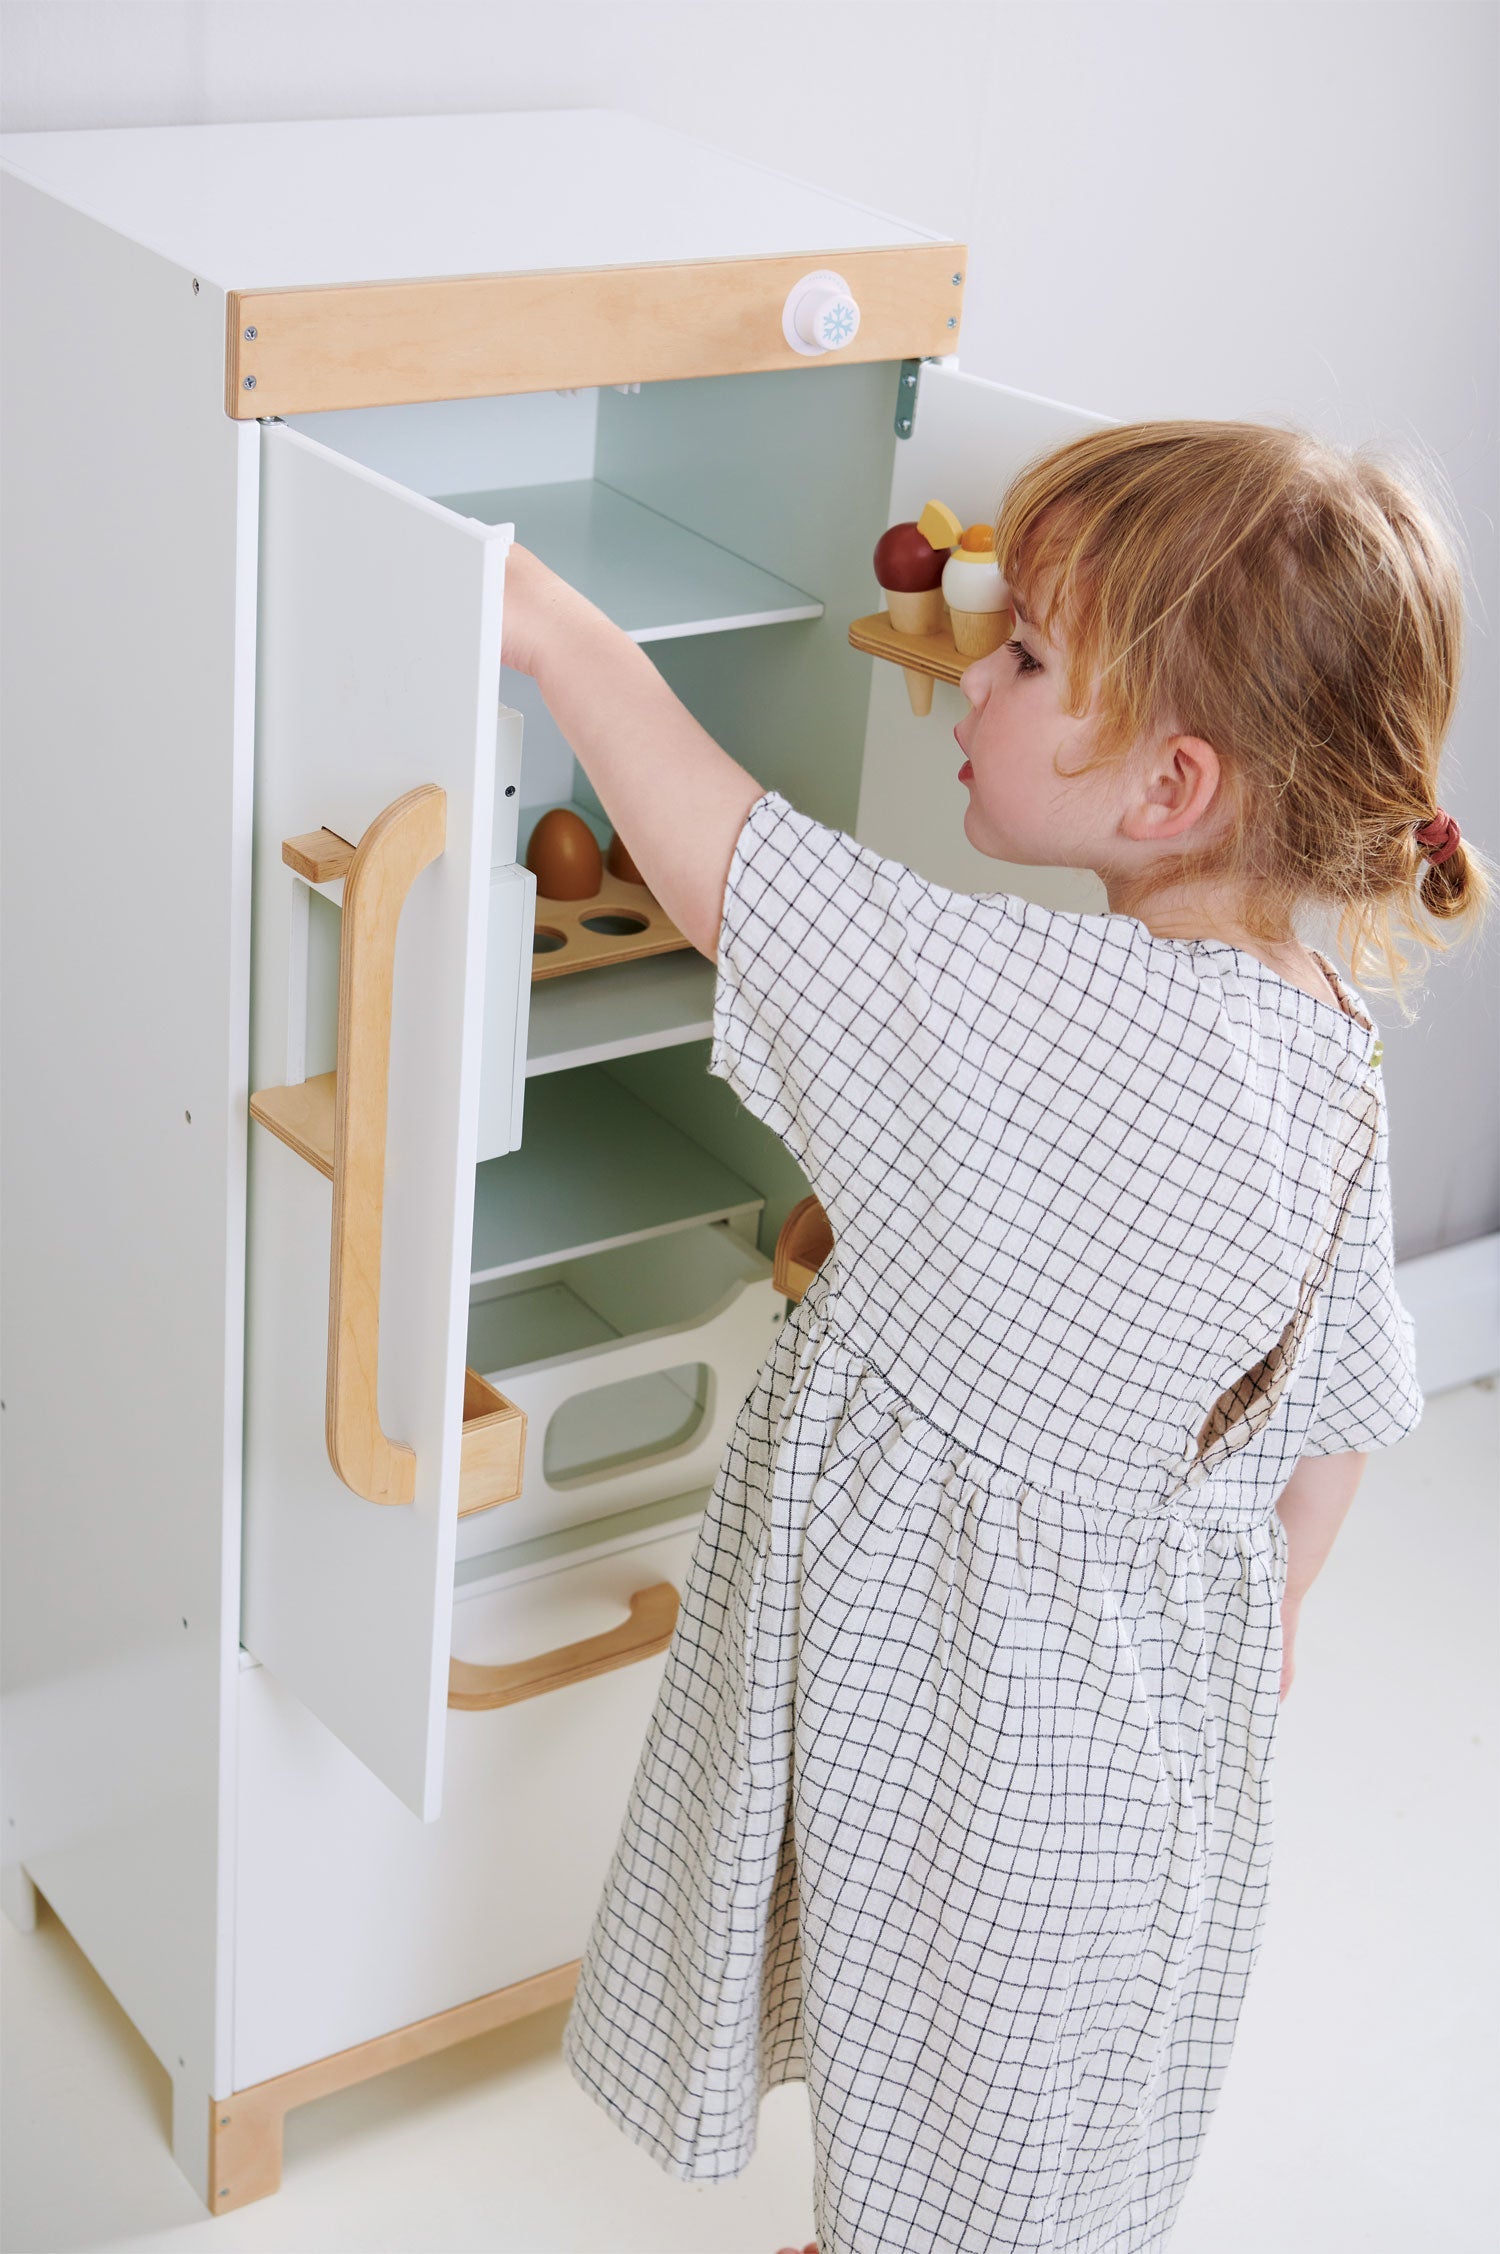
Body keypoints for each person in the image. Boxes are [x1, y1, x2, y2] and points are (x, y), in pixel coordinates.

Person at [497, 421, 1486, 2253]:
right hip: (1139, 1716)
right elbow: (1337, 1401)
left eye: (1026, 655)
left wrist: (559, 632)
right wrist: (1267, 1603)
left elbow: (745, 886)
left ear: (1172, 785)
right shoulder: (1314, 1033)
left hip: (974, 1713)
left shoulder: (1075, 1012)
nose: (971, 672)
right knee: (998, 2100)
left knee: (937, 2056)